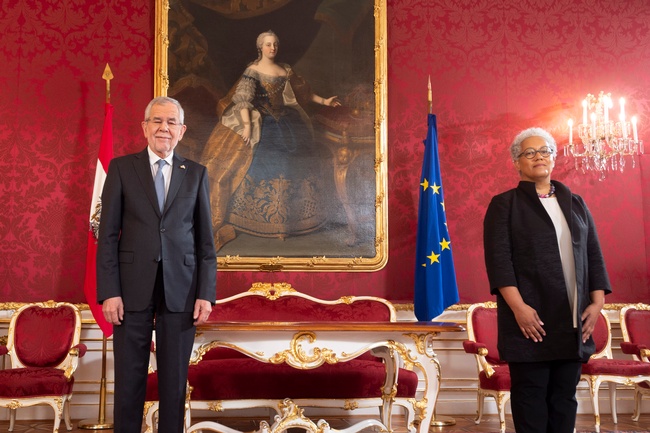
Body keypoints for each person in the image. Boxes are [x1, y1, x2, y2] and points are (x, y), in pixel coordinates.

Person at [97, 96, 217, 433]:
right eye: (157, 121)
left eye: (171, 123)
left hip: (182, 290)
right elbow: (107, 235)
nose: (164, 128)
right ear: (145, 127)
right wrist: (109, 292)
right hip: (129, 290)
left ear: (182, 131)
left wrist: (206, 293)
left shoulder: (196, 173)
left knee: (174, 382)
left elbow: (206, 242)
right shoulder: (122, 168)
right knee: (129, 380)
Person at [483, 127, 611, 433]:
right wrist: (519, 309)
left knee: (564, 399)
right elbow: (500, 262)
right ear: (517, 163)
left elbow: (593, 252)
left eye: (545, 151)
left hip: (572, 319)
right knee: (530, 399)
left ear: (553, 159)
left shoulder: (575, 201)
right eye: (529, 152)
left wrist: (597, 302)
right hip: (530, 320)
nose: (539, 157)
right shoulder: (505, 204)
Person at [201, 30, 341, 250]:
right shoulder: (253, 71)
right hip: (261, 123)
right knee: (267, 158)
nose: (272, 48)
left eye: (275, 44)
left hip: (287, 122)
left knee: (298, 158)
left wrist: (324, 101)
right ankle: (258, 218)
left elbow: (303, 93)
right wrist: (247, 127)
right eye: (268, 45)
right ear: (260, 47)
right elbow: (244, 101)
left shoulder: (285, 70)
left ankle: (294, 218)